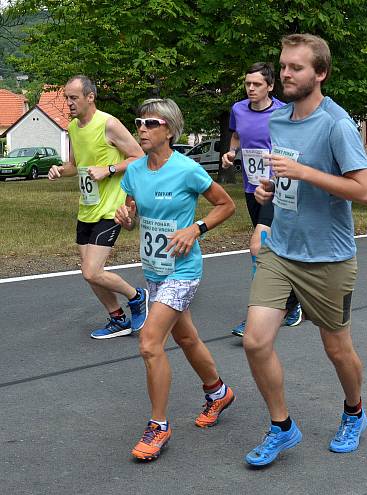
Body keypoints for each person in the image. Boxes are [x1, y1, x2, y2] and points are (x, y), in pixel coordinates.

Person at [243, 34, 367, 467]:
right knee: (255, 342)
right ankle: (282, 427)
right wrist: (269, 192)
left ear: (320, 73)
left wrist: (304, 171)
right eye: (283, 66)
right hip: (281, 251)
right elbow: (285, 183)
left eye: (296, 68)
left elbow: (364, 191)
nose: (285, 74)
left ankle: (354, 411)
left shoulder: (337, 124)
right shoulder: (278, 122)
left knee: (337, 349)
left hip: (328, 257)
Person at [115, 98, 237, 461]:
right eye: (139, 122)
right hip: (154, 270)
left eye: (150, 123)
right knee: (185, 336)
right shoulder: (134, 172)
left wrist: (195, 229)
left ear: (168, 128)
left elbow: (226, 205)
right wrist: (127, 219)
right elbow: (133, 215)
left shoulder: (187, 169)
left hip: (183, 271)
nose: (142, 129)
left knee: (150, 342)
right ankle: (218, 392)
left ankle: (158, 426)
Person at [47, 75, 149, 339]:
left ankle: (136, 296)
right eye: (66, 98)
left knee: (92, 270)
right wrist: (60, 170)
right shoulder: (72, 127)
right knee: (89, 273)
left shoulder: (109, 124)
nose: (68, 103)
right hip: (87, 208)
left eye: (73, 98)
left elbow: (139, 156)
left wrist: (109, 169)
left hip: (111, 209)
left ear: (90, 97)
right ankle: (117, 318)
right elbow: (75, 165)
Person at [220, 62, 302, 338]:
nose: (251, 89)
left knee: (259, 246)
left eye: (257, 84)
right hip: (250, 186)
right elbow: (236, 136)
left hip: (275, 187)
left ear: (270, 86)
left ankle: (261, 313)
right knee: (271, 246)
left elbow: (294, 144)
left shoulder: (283, 111)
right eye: (247, 84)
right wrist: (231, 153)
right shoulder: (238, 109)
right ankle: (292, 300)